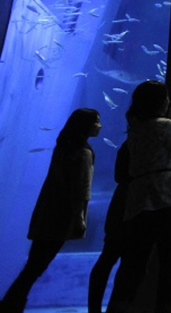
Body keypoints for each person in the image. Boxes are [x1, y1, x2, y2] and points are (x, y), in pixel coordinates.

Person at [107, 81, 171, 313]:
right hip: (167, 195)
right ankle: (167, 309)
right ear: (160, 102)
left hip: (138, 199)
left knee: (134, 262)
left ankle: (118, 307)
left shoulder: (134, 127)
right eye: (166, 97)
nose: (169, 101)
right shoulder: (166, 125)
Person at [1, 108, 101, 313]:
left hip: (47, 210)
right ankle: (10, 306)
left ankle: (12, 304)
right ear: (86, 125)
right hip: (62, 216)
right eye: (97, 121)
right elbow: (82, 189)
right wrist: (80, 217)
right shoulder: (83, 152)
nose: (100, 126)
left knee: (33, 265)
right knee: (37, 266)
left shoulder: (63, 147)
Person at [88, 142, 130, 313]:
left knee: (108, 258)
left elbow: (119, 176)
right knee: (116, 260)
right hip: (128, 209)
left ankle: (97, 308)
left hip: (120, 208)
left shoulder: (128, 145)